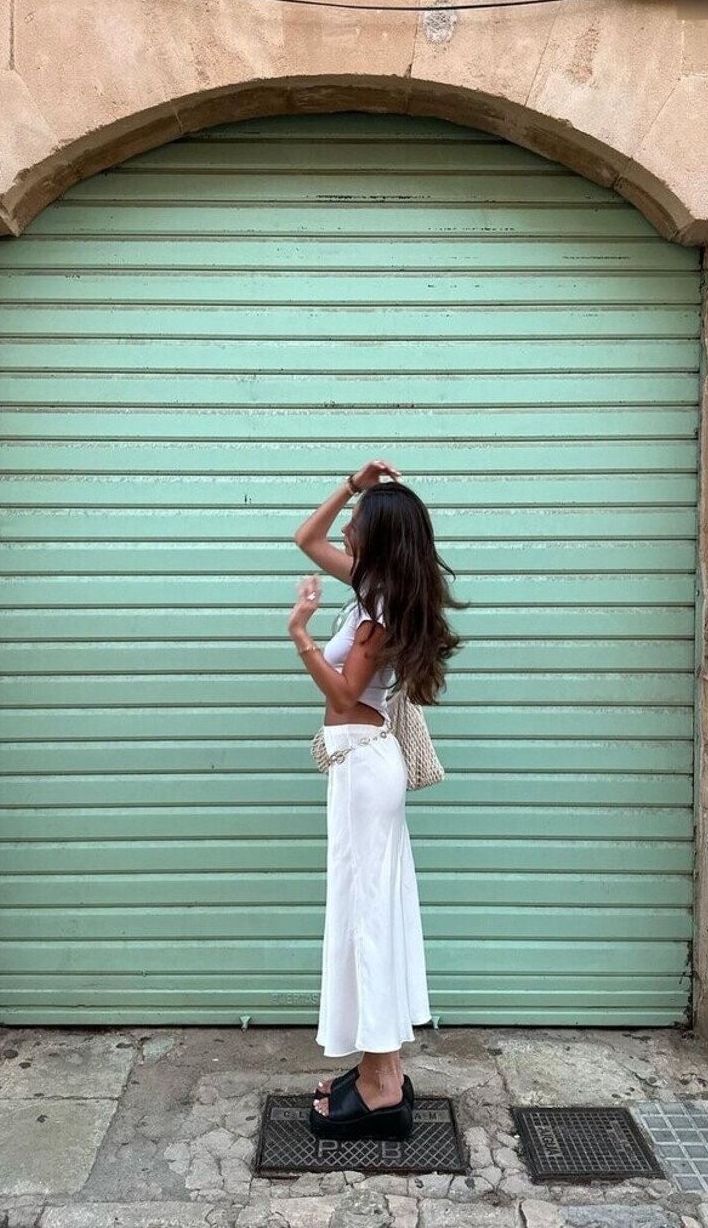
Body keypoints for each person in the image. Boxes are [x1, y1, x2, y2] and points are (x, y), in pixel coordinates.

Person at [287, 459, 464, 1142]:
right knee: (370, 914)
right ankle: (377, 1067)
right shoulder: (375, 586)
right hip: (361, 765)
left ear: (380, 537)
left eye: (358, 521)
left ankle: (381, 1085)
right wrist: (352, 485)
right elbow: (306, 538)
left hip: (365, 770)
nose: (347, 530)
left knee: (366, 918)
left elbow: (341, 692)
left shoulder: (380, 609)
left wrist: (301, 635)